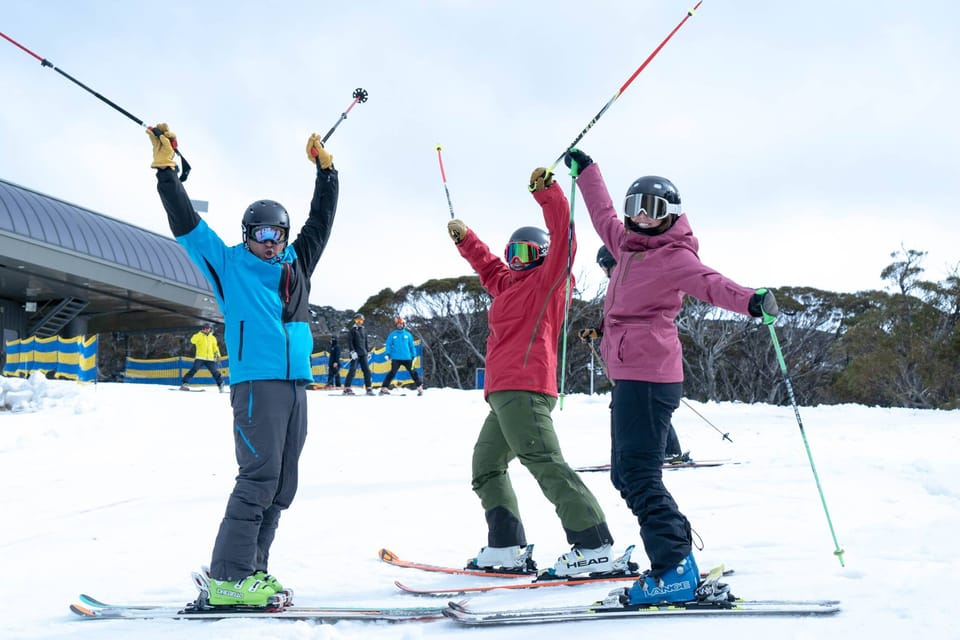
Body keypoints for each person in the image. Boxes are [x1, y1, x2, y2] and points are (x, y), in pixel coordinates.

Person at [564, 147, 778, 605]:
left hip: (649, 376)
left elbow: (712, 284)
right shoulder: (624, 244)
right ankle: (678, 554)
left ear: (671, 214)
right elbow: (600, 212)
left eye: (653, 209)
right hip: (630, 376)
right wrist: (587, 171)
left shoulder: (675, 256)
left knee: (638, 475)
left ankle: (674, 569)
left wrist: (753, 302)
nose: (641, 217)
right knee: (627, 474)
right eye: (634, 208)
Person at [148, 124, 339, 607]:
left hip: (296, 384)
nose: (270, 242)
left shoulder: (296, 264)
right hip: (257, 384)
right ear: (248, 235)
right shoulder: (229, 264)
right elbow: (185, 223)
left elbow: (322, 220)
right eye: (261, 234)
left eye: (277, 234)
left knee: (282, 484)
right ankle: (228, 576)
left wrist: (327, 171)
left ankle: (253, 570)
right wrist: (167, 171)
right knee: (257, 478)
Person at [446, 167, 626, 579]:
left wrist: (548, 192)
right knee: (486, 466)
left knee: (545, 462)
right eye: (513, 254)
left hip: (526, 386)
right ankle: (506, 547)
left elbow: (564, 234)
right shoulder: (507, 284)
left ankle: (593, 544)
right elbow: (489, 268)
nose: (515, 261)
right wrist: (466, 239)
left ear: (543, 255)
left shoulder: (549, 280)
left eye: (525, 253)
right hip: (503, 392)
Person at [581, 246, 687, 462]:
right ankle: (653, 451)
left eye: (604, 266)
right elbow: (616, 318)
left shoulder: (633, 283)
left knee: (647, 407)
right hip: (627, 358)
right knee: (640, 408)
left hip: (642, 358)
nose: (604, 271)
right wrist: (597, 331)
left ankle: (669, 450)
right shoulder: (620, 285)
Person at [379, 317, 424, 396]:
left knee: (413, 372)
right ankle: (384, 388)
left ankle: (419, 387)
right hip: (396, 358)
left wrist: (414, 355)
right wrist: (387, 354)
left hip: (407, 358)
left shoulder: (408, 335)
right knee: (392, 372)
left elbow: (412, 346)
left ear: (403, 324)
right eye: (398, 324)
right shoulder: (392, 335)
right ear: (396, 325)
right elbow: (388, 345)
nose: (399, 325)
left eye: (401, 324)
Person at [180, 323, 225, 392]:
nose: (207, 330)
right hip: (200, 358)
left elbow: (215, 348)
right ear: (203, 329)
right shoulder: (198, 336)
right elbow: (192, 340)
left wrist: (218, 356)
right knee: (194, 370)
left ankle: (221, 385)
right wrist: (200, 333)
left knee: (215, 372)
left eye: (208, 328)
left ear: (210, 329)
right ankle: (184, 384)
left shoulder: (212, 338)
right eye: (206, 328)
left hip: (210, 358)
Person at [343, 313, 373, 395]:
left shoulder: (364, 330)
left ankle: (369, 388)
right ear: (355, 321)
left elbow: (366, 342)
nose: (359, 322)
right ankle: (347, 388)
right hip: (355, 354)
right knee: (352, 370)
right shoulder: (352, 330)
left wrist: (368, 351)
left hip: (363, 353)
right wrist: (352, 351)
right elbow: (350, 342)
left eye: (361, 320)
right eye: (357, 320)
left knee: (367, 371)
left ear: (363, 321)